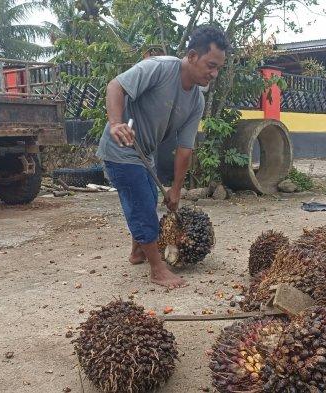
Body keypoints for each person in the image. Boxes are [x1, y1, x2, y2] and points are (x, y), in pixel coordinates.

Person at [97, 25, 229, 289]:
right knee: (143, 204)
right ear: (192, 56)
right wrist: (115, 123)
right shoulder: (158, 68)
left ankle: (138, 252)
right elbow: (116, 86)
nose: (214, 74)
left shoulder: (196, 102)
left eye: (218, 69)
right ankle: (158, 268)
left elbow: (185, 148)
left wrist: (176, 189)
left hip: (145, 154)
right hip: (120, 149)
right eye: (210, 65)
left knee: (150, 198)